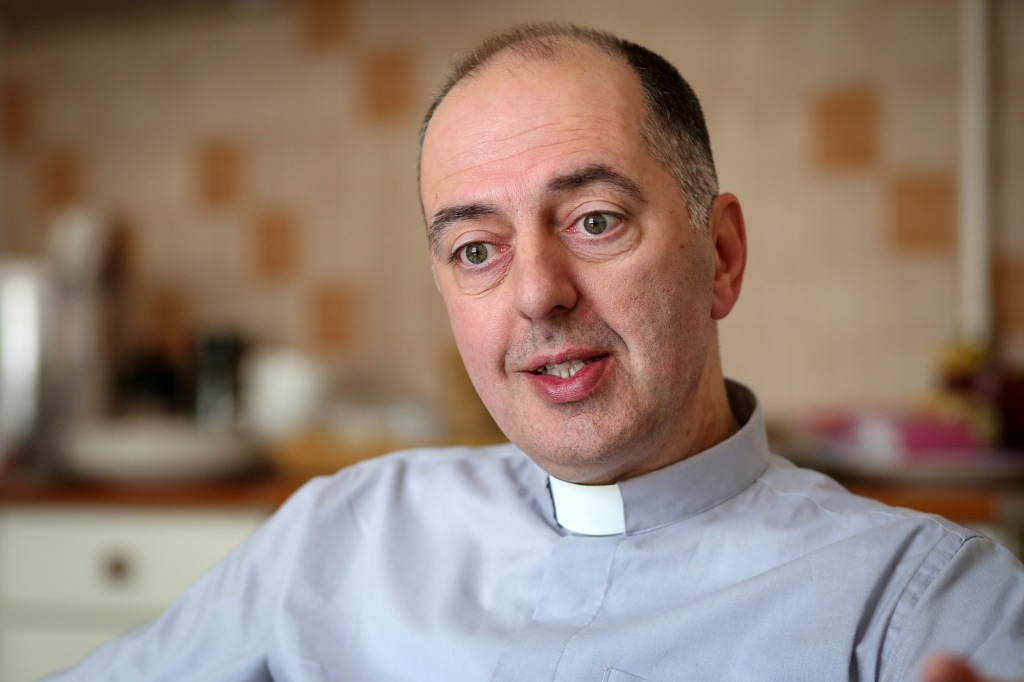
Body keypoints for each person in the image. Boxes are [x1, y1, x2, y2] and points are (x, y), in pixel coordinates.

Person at [48, 23, 1023, 682]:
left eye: (595, 221)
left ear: (720, 256)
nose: (536, 293)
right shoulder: (341, 534)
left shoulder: (918, 602)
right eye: (476, 249)